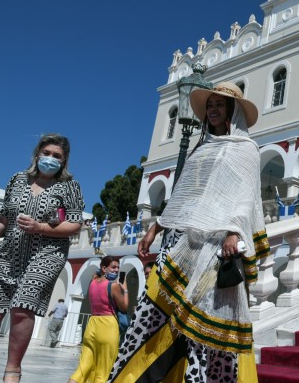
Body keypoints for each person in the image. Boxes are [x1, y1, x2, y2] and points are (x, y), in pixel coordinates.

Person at [110, 82, 269, 383]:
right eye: (210, 104)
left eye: (220, 105)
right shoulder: (202, 146)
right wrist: (156, 226)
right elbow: (185, 194)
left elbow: (245, 195)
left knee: (201, 327)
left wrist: (234, 232)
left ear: (232, 111)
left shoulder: (246, 149)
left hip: (216, 247)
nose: (212, 109)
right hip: (181, 242)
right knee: (153, 311)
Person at [0, 133, 84, 383]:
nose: (50, 159)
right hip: (10, 254)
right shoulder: (17, 180)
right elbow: (2, 218)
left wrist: (40, 227)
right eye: (47, 153)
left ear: (64, 161)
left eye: (57, 156)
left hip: (46, 254)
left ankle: (12, 371)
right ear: (37, 153)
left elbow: (74, 226)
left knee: (22, 308)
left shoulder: (69, 186)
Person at [69, 256, 128, 383]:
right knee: (103, 371)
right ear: (104, 268)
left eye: (118, 267)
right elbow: (124, 307)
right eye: (113, 267)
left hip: (92, 325)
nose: (117, 270)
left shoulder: (92, 282)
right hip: (108, 326)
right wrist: (126, 290)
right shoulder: (113, 286)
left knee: (82, 368)